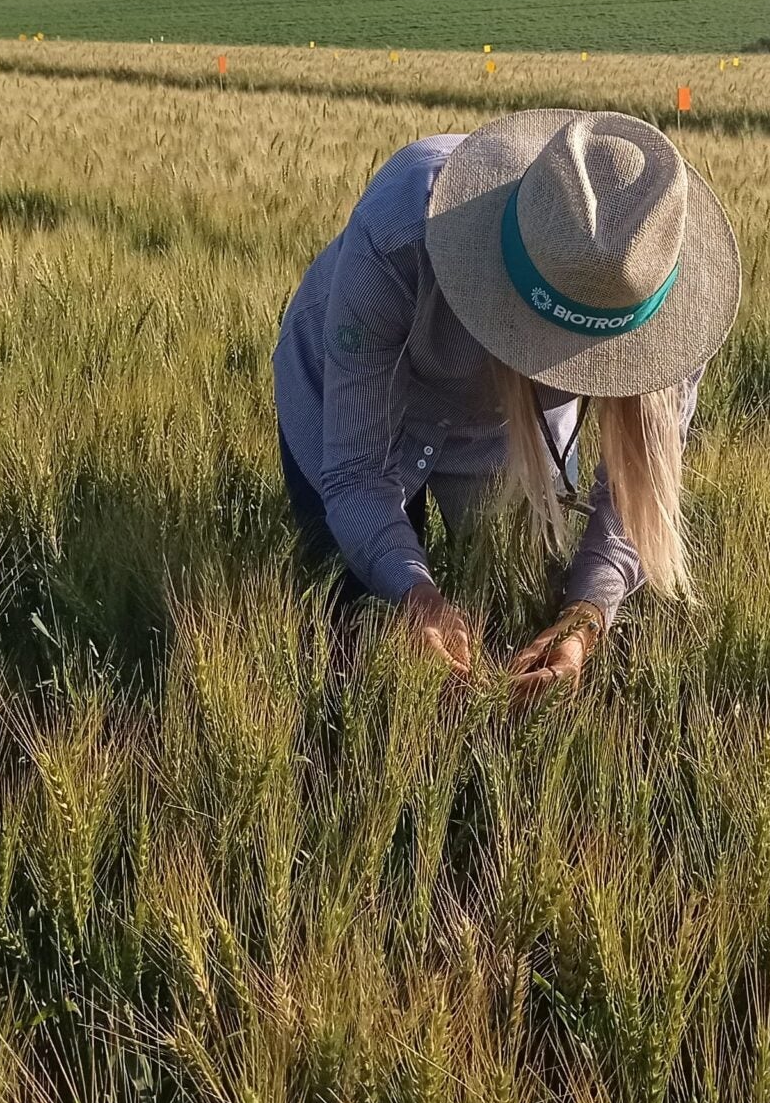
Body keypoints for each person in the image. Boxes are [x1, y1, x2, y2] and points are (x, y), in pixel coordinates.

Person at [273, 107, 741, 699]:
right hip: (345, 391)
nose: (563, 370)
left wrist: (583, 619)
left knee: (511, 608)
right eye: (549, 347)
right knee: (353, 620)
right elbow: (357, 473)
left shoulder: (667, 301)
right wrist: (416, 596)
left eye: (585, 360)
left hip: (504, 431)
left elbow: (636, 496)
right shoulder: (401, 229)